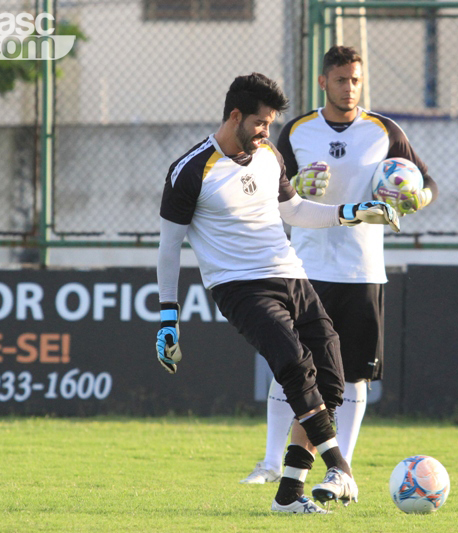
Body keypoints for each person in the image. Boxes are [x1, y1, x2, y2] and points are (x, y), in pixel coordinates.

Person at [155, 72, 400, 513]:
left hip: (291, 274)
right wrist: (168, 317)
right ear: (235, 116)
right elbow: (169, 248)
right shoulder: (190, 170)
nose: (267, 131)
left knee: (331, 375)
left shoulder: (268, 155)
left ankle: (289, 495)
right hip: (239, 287)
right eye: (261, 123)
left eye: (269, 124)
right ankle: (340, 467)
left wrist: (353, 212)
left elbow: (295, 210)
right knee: (293, 364)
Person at [240, 46, 438, 485]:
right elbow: (265, 191)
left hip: (362, 268)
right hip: (305, 266)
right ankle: (272, 463)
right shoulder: (296, 131)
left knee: (353, 376)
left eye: (356, 80)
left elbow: (428, 184)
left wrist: (415, 197)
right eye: (341, 79)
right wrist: (296, 186)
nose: (350, 88)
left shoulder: (383, 131)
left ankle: (339, 472)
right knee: (289, 364)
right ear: (323, 82)